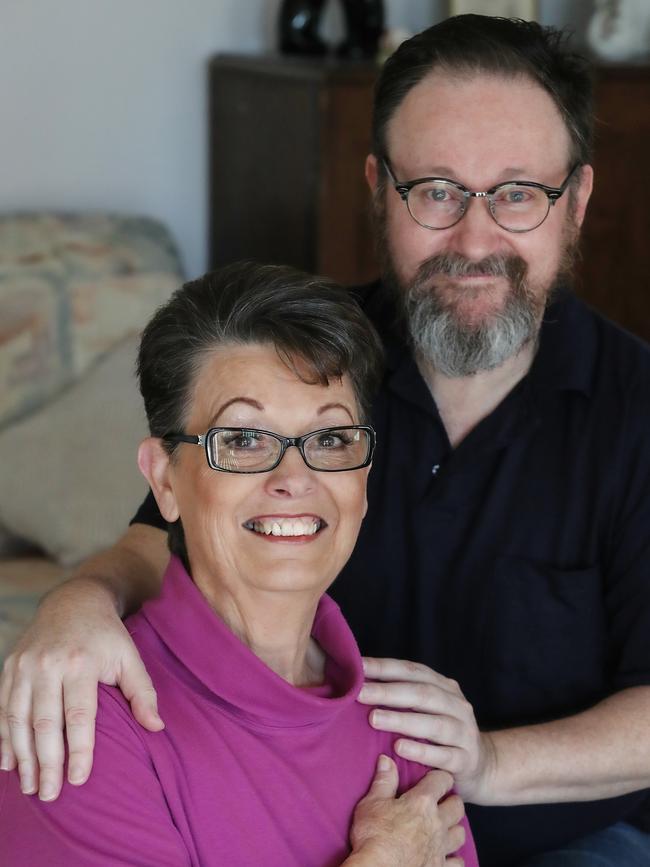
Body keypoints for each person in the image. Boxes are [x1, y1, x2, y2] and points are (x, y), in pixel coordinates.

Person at [1, 13, 650, 867]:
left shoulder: (637, 409)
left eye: (519, 192)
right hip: (326, 812)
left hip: (563, 834)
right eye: (438, 190)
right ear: (379, 186)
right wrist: (75, 602)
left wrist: (484, 763)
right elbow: (168, 529)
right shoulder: (313, 364)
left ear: (579, 202)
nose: (476, 238)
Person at [0, 262, 476, 866]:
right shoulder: (81, 726)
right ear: (164, 480)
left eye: (331, 439)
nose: (294, 478)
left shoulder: (406, 723)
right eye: (245, 439)